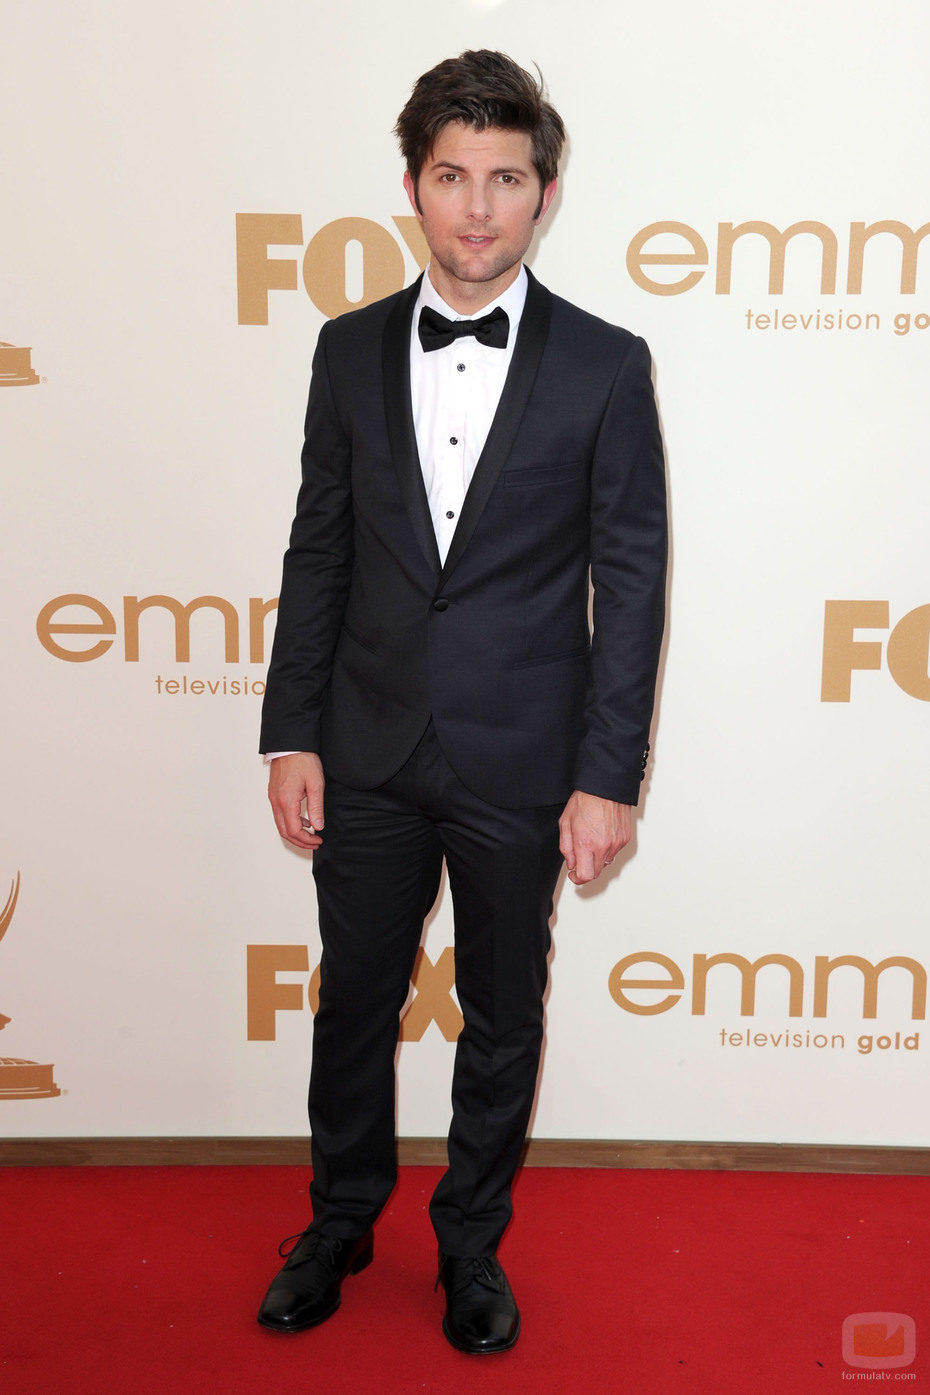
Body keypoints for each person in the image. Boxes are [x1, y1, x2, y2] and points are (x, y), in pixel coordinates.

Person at [257, 49, 667, 1354]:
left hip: (521, 758)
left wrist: (608, 774)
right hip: (364, 745)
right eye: (451, 177)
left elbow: (631, 581)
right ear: (410, 189)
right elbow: (317, 548)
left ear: (544, 194)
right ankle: (337, 1222)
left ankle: (470, 1249)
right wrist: (290, 730)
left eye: (504, 179)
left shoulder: (606, 364)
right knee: (353, 1005)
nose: (476, 207)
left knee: (503, 1011)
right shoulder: (346, 349)